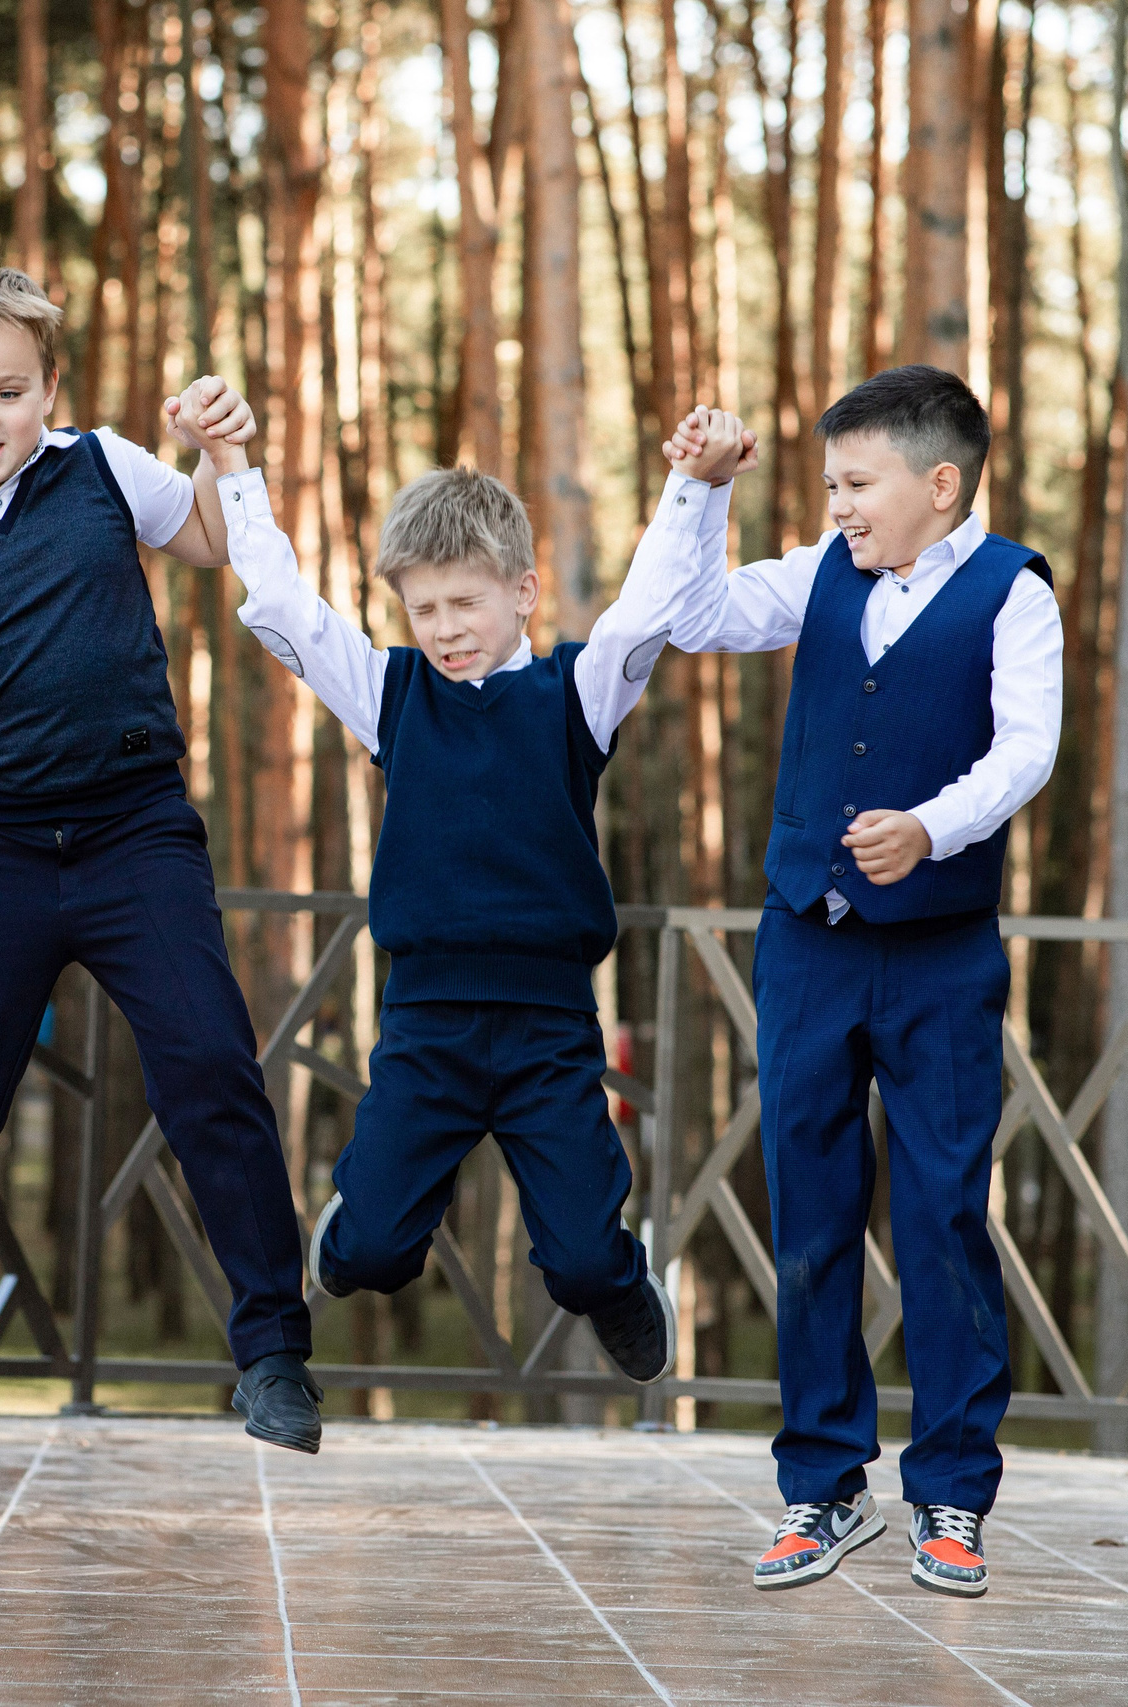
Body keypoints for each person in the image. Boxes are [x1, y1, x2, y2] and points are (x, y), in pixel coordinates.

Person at [0, 263, 320, 1490]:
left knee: (210, 1067)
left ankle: (272, 1354)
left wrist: (217, 449)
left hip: (133, 833)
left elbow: (209, 538)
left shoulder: (103, 467)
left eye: (7, 392)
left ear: (49, 386)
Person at [211, 400, 760, 1391]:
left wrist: (696, 483)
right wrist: (232, 465)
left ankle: (619, 1282)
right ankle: (359, 1228)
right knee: (370, 1252)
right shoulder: (392, 697)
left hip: (550, 1030)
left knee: (582, 1261)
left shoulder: (574, 695)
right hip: (428, 1025)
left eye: (465, 603)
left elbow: (645, 610)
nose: (445, 629)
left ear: (523, 592)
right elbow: (288, 610)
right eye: (423, 610)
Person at [677, 366, 1063, 1599]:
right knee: (808, 1209)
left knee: (944, 1212)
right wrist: (699, 492)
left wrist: (930, 828)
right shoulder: (818, 574)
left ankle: (951, 1496)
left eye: (856, 483)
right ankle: (821, 1487)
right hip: (806, 938)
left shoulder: (1013, 592)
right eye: (830, 484)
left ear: (939, 485)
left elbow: (1028, 748)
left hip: (941, 951)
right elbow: (693, 612)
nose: (837, 505)